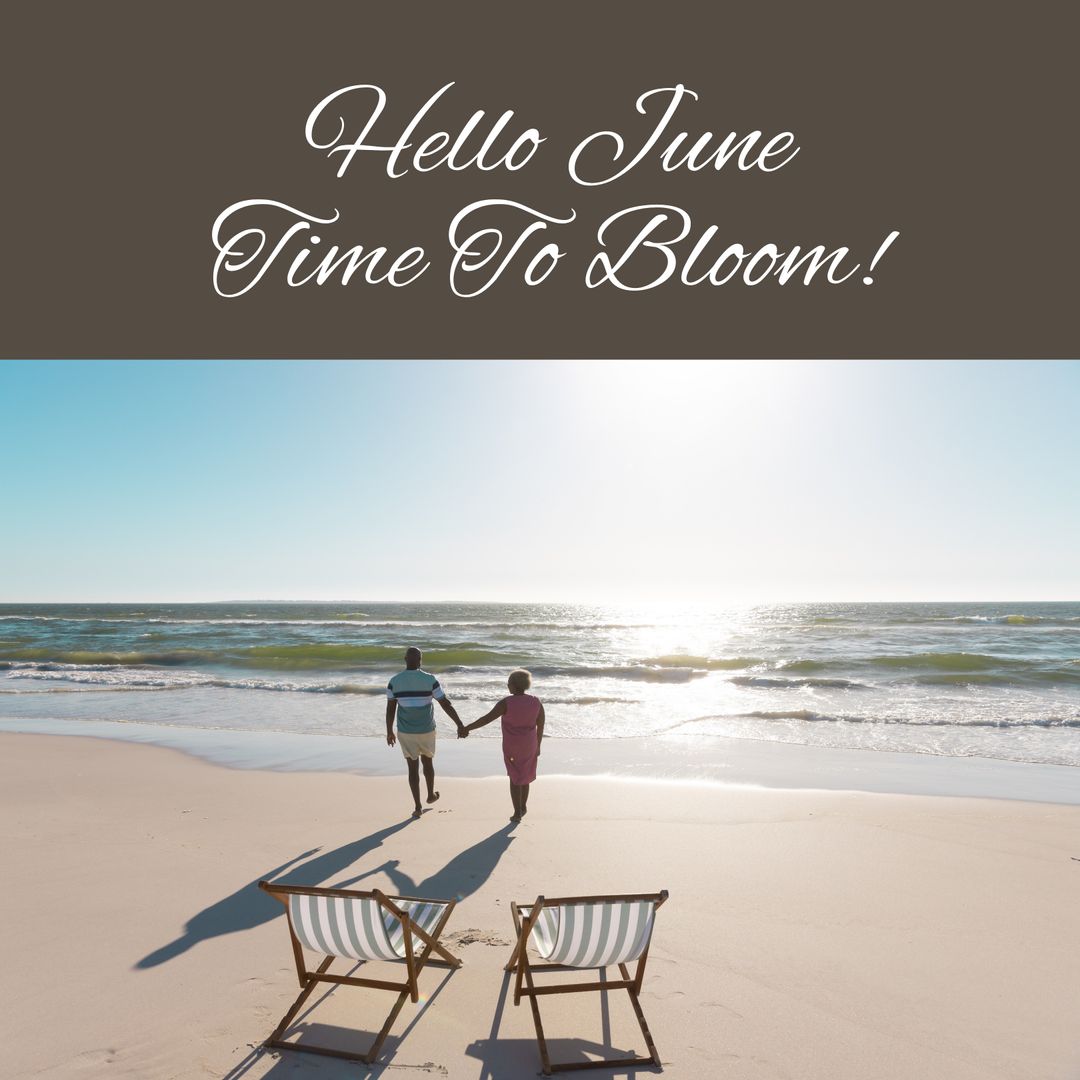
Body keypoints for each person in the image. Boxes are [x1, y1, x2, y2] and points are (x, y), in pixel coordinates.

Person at [386, 647, 466, 819]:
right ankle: (430, 795)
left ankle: (417, 806)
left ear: (405, 659)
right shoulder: (430, 680)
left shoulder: (394, 681)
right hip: (427, 730)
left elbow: (390, 708)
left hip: (405, 732)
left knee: (412, 768)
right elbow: (445, 703)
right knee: (428, 763)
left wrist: (389, 731)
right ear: (420, 660)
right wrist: (459, 724)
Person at [465, 669, 545, 822]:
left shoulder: (506, 703)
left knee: (515, 778)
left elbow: (486, 719)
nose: (508, 686)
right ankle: (523, 807)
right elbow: (540, 725)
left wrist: (467, 728)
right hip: (530, 745)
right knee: (525, 776)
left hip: (512, 746)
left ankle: (517, 812)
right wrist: (538, 745)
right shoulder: (536, 702)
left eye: (509, 683)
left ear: (513, 686)